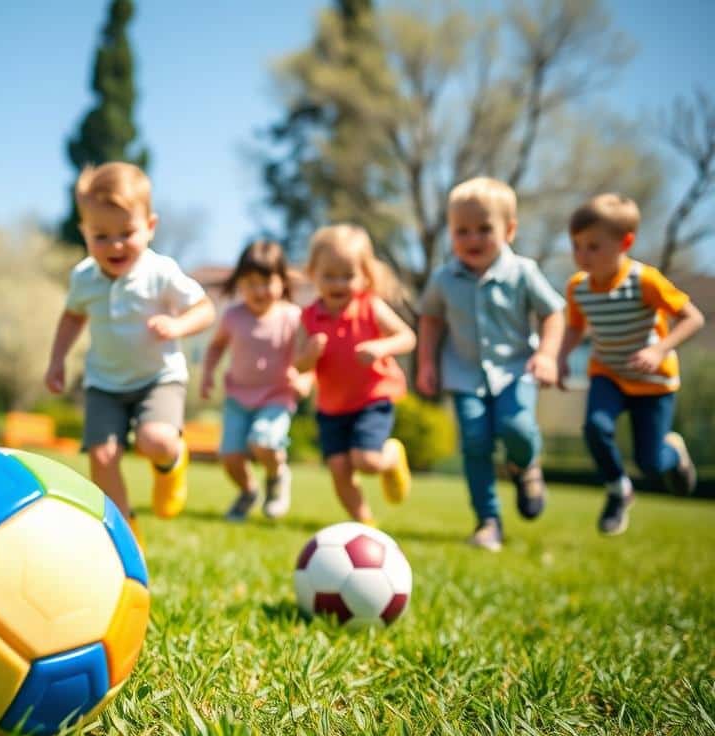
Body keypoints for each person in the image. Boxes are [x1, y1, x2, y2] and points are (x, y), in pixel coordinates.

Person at [45, 162, 215, 542]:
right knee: (102, 458)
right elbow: (72, 318)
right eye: (100, 235)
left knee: (155, 440)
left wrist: (177, 326)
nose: (115, 245)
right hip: (104, 382)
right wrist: (57, 360)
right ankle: (124, 532)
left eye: (127, 233)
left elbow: (205, 310)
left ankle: (171, 463)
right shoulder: (84, 277)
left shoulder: (161, 272)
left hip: (158, 379)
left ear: (150, 227)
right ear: (84, 232)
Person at [417, 176, 565, 552]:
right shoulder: (443, 278)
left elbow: (553, 314)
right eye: (461, 231)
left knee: (516, 427)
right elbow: (431, 320)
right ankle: (488, 521)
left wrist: (547, 355)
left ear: (510, 229)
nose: (473, 239)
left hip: (516, 371)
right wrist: (426, 365)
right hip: (464, 374)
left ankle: (525, 465)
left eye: (485, 229)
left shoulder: (523, 273)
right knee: (475, 443)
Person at [557, 193, 704, 536]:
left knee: (650, 463)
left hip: (653, 382)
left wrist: (659, 351)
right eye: (576, 246)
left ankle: (674, 453)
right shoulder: (578, 288)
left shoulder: (645, 280)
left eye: (593, 246)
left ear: (625, 242)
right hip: (607, 373)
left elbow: (692, 318)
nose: (582, 255)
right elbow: (576, 326)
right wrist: (562, 357)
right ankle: (617, 489)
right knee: (595, 426)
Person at [293, 225, 415, 526]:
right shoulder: (307, 318)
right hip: (332, 406)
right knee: (339, 468)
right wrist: (309, 355)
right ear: (313, 274)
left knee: (367, 461)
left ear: (365, 276)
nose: (338, 283)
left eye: (347, 275)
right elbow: (299, 366)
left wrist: (381, 346)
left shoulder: (370, 306)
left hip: (372, 397)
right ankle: (365, 523)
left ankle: (390, 457)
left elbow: (407, 337)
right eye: (329, 275)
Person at [200, 240, 311, 521]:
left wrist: (305, 380)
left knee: (264, 441)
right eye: (250, 283)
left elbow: (310, 356)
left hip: (276, 395)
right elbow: (215, 347)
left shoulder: (292, 316)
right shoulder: (233, 316)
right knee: (229, 456)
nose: (258, 290)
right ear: (239, 283)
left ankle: (277, 477)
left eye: (266, 282)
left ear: (281, 281)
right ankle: (248, 491)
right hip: (238, 396)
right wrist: (207, 374)